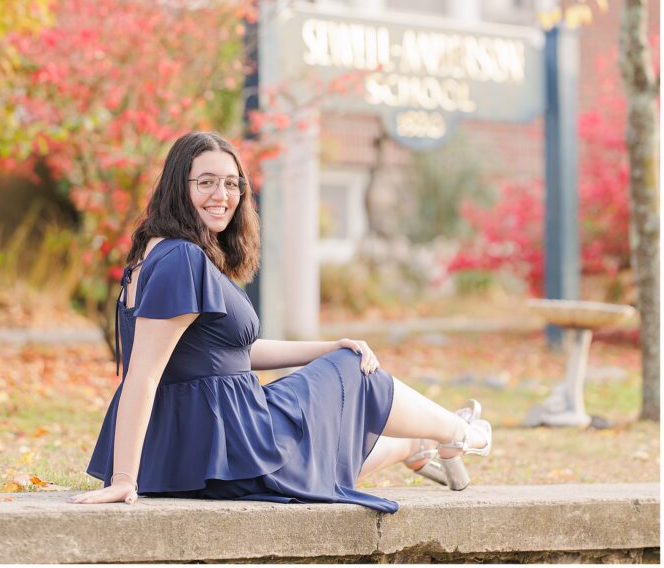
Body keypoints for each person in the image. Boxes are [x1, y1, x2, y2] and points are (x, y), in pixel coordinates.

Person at [68, 131, 491, 511]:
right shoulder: (182, 258)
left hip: (198, 447)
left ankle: (418, 444)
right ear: (179, 187)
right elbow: (142, 374)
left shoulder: (158, 251)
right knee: (356, 373)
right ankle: (464, 435)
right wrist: (123, 479)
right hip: (228, 438)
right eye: (206, 182)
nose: (223, 195)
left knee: (336, 381)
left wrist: (325, 347)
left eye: (232, 183)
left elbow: (230, 353)